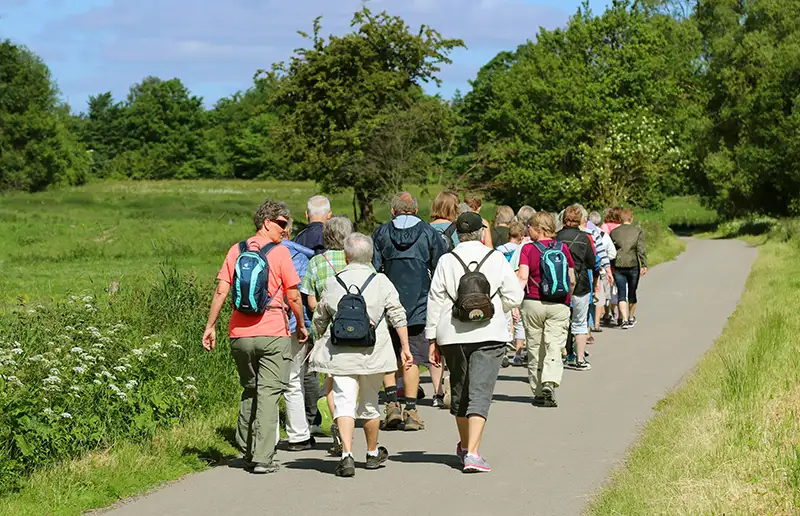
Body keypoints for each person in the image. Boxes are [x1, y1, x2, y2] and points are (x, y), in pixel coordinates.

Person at [202, 199, 308, 474]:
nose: (285, 230)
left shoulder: (235, 251)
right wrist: (300, 323)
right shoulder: (281, 254)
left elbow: (221, 292)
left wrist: (210, 326)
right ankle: (262, 458)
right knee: (270, 393)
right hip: (273, 332)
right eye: (282, 224)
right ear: (266, 223)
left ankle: (245, 448)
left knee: (251, 388)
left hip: (240, 334)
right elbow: (293, 295)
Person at [427, 212, 524, 473]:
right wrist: (496, 308)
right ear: (482, 232)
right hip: (490, 334)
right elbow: (515, 295)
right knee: (481, 392)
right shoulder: (495, 259)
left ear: (457, 234)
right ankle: (473, 453)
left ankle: (464, 445)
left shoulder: (447, 260)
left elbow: (435, 300)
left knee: (460, 390)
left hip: (452, 335)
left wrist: (432, 339)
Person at [309, 233, 412, 477]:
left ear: (346, 256)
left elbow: (320, 319)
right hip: (373, 353)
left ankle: (346, 455)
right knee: (369, 404)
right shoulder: (381, 281)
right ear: (371, 256)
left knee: (344, 402)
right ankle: (372, 452)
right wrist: (405, 347)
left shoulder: (334, 282)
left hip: (340, 354)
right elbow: (398, 314)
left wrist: (318, 336)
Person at [373, 193, 447, 430]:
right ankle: (411, 411)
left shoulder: (382, 233)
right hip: (418, 305)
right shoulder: (429, 233)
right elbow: (439, 269)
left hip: (388, 304)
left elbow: (374, 268)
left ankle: (392, 405)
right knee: (412, 357)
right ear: (415, 211)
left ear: (393, 211)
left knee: (389, 356)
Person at [299, 216, 354, 452]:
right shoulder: (357, 260)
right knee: (351, 381)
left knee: (330, 379)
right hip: (356, 331)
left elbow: (311, 303)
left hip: (326, 330)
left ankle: (335, 423)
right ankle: (347, 425)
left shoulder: (316, 263)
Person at [517, 211, 576, 407]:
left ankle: (538, 391)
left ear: (538, 229)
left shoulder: (527, 249)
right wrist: (568, 298)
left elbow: (523, 277)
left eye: (530, 227)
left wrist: (516, 302)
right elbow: (572, 279)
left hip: (533, 303)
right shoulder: (563, 248)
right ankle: (550, 382)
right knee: (554, 345)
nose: (528, 230)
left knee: (535, 347)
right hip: (559, 304)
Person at [292, 195, 332, 434]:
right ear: (329, 215)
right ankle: (330, 414)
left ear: (307, 215)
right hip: (330, 309)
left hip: (305, 310)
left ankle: (310, 417)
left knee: (307, 367)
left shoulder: (297, 240)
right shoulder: (332, 238)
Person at [281, 220, 318, 451]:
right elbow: (299, 297)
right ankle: (298, 435)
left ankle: (266, 436)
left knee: (266, 385)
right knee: (293, 380)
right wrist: (304, 325)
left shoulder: (250, 250)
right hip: (292, 325)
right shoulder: (301, 257)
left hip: (258, 326)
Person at [556, 205, 599, 371]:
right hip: (581, 285)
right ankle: (580, 359)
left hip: (559, 285)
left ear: (563, 219)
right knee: (580, 322)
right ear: (581, 219)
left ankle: (562, 355)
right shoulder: (585, 238)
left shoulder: (556, 237)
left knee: (561, 322)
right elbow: (591, 262)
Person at [496, 219, 526, 366]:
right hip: (518, 286)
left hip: (502, 289)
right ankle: (518, 354)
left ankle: (503, 351)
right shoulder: (522, 249)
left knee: (505, 321)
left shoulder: (499, 250)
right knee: (519, 322)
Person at [610, 209, 647, 329]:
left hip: (618, 265)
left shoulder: (614, 232)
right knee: (632, 292)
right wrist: (644, 264)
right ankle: (631, 317)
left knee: (621, 293)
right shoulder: (638, 231)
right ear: (631, 219)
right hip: (633, 265)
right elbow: (640, 249)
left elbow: (611, 250)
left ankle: (624, 320)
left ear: (620, 219)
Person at [589, 211, 617, 330]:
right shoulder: (602, 235)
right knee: (599, 297)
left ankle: (589, 325)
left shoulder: (584, 232)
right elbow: (612, 253)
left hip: (586, 268)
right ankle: (596, 323)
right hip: (600, 269)